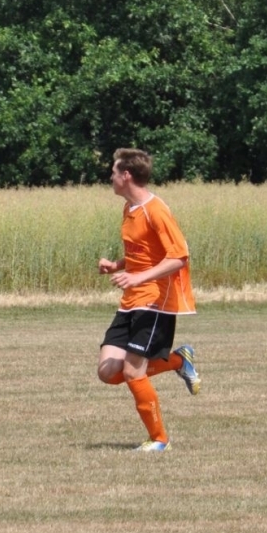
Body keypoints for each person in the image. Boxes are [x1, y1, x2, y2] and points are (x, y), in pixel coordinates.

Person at [95, 148, 201, 451]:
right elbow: (141, 255)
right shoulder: (130, 209)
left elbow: (179, 256)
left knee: (131, 371)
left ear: (126, 175)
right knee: (108, 373)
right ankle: (178, 360)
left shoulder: (156, 210)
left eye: (113, 172)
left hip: (155, 301)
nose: (111, 178)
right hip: (131, 300)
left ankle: (159, 440)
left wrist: (139, 278)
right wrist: (116, 266)